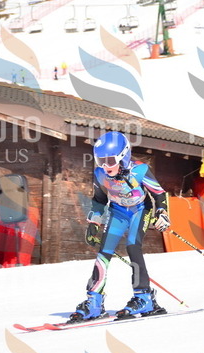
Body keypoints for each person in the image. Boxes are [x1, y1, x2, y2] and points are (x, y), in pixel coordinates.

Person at [69, 131, 171, 323]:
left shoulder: (139, 170)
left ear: (123, 157)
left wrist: (162, 213)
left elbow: (159, 194)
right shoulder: (100, 174)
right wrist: (94, 223)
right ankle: (94, 301)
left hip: (140, 210)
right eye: (101, 161)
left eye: (110, 160)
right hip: (118, 212)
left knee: (133, 246)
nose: (105, 166)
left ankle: (144, 297)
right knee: (104, 252)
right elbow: (99, 200)